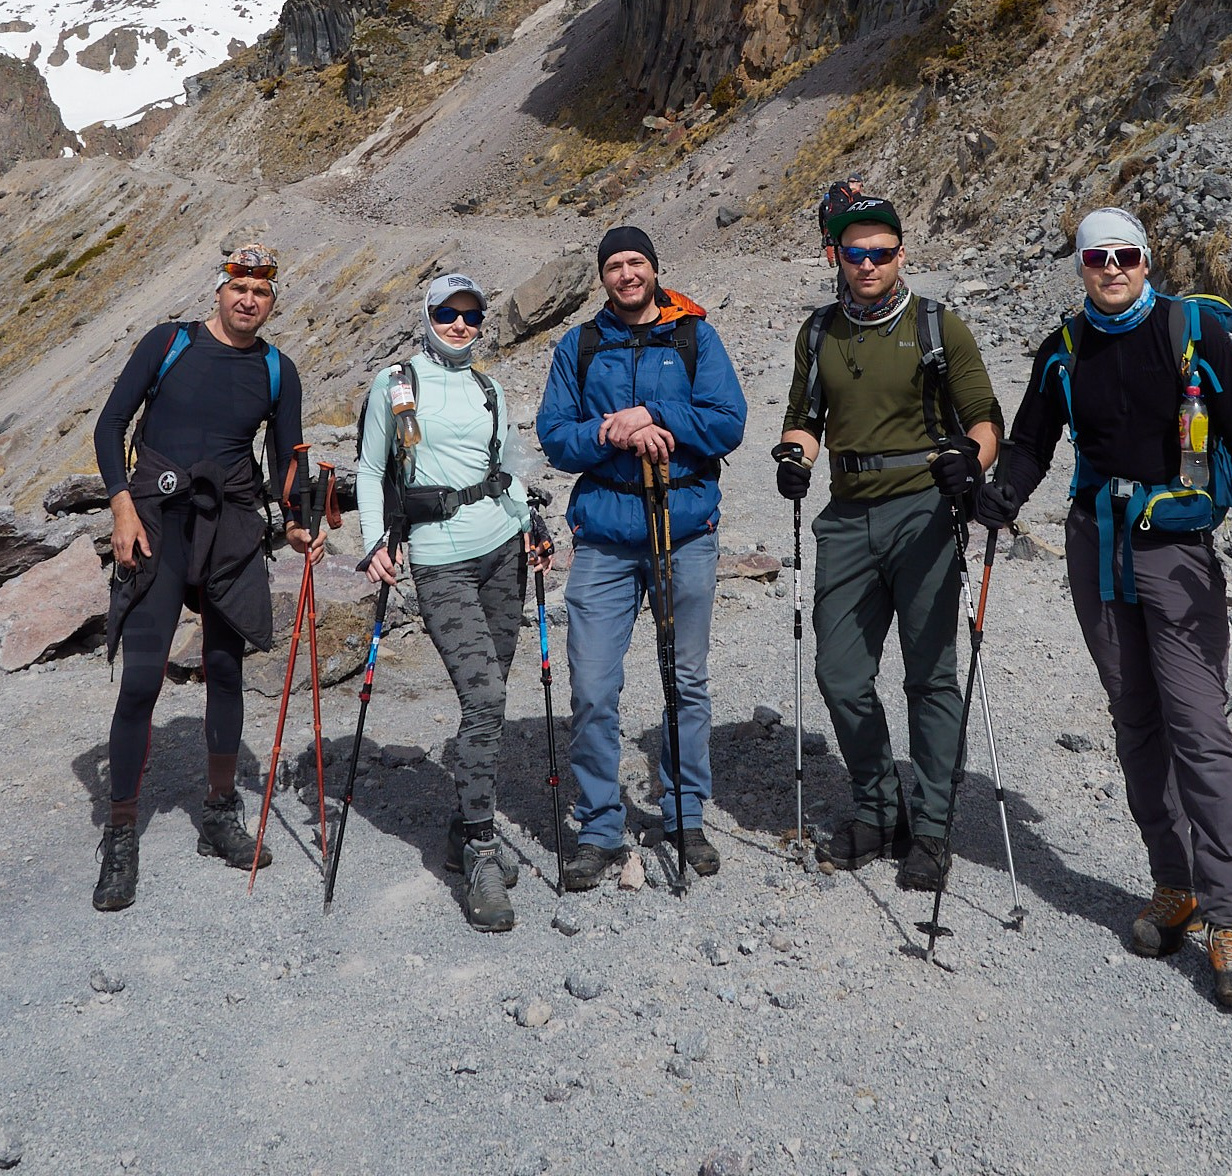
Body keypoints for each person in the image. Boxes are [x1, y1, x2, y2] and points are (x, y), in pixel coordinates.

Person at [978, 207, 1232, 1010]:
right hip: (1096, 545)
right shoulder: (1065, 350)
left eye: (1125, 256)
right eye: (1096, 258)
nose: (1111, 269)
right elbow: (1032, 442)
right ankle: (1173, 884)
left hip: (1177, 552)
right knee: (1134, 719)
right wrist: (1002, 493)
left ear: (1146, 260)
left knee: (1199, 728)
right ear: (1079, 267)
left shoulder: (1194, 334)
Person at [775, 197, 1002, 891]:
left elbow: (985, 419)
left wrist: (972, 457)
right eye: (855, 254)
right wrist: (794, 454)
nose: (867, 264)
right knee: (839, 674)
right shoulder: (818, 333)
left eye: (881, 252)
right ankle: (879, 809)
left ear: (902, 254)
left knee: (930, 674)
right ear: (834, 257)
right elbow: (804, 416)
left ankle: (930, 830)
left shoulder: (939, 326)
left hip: (926, 511)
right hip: (846, 515)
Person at [91, 244, 311, 911]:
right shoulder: (170, 343)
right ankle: (121, 833)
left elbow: (286, 462)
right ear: (219, 291)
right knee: (141, 677)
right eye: (238, 287)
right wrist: (121, 504)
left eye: (261, 293)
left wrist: (300, 521)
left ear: (272, 303)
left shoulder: (278, 370)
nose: (248, 299)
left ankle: (219, 815)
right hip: (156, 518)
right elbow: (110, 426)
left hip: (231, 524)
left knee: (224, 667)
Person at [536, 224, 746, 889]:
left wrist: (650, 413)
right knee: (593, 686)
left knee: (685, 678)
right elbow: (556, 438)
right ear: (602, 277)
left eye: (637, 262)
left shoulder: (694, 337)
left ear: (655, 269)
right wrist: (610, 431)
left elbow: (727, 421)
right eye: (614, 266)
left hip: (685, 531)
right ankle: (600, 826)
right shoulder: (580, 344)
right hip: (604, 538)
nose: (626, 274)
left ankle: (684, 814)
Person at [357, 272, 549, 933]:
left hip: (502, 548)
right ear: (427, 314)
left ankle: (465, 824)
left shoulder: (488, 387)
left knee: (491, 700)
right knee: (486, 700)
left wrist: (533, 524)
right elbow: (369, 468)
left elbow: (510, 468)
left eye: (472, 313)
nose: (461, 323)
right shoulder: (395, 385)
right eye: (448, 312)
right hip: (440, 562)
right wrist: (374, 541)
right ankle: (480, 850)